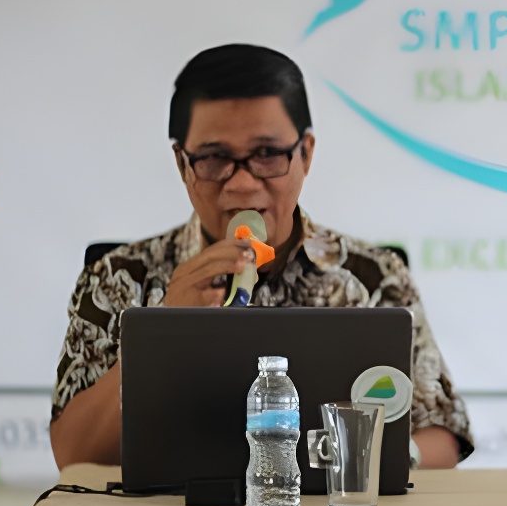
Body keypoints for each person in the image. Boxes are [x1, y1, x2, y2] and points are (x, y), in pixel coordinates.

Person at [50, 44, 472, 470]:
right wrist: (160, 331)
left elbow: (440, 432)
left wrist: (378, 459)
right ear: (182, 163)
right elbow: (75, 455)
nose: (243, 185)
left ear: (306, 154)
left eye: (267, 154)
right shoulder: (118, 277)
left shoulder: (375, 275)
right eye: (214, 158)